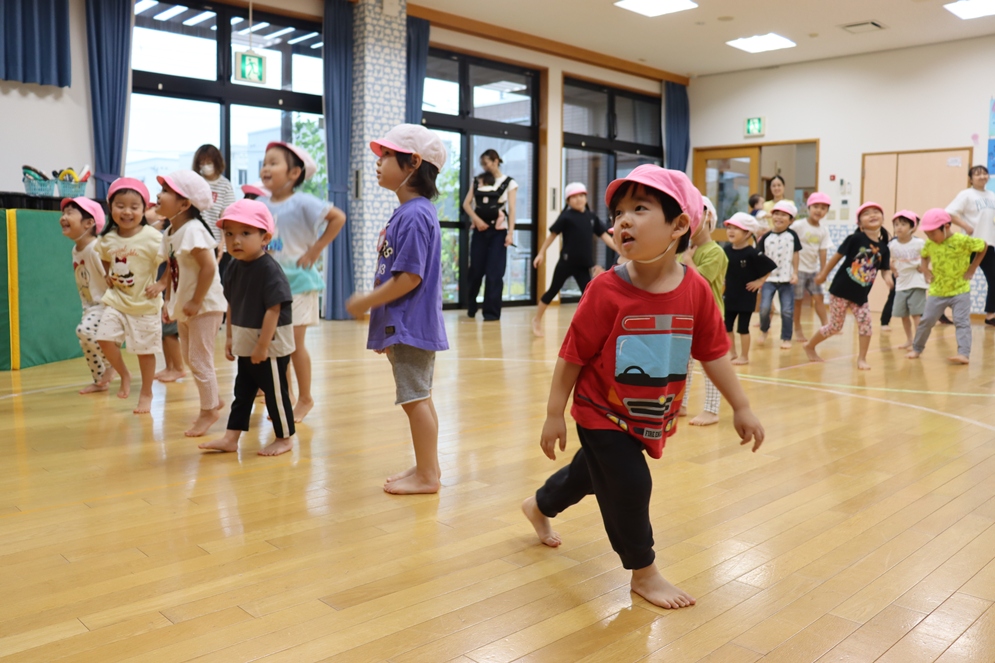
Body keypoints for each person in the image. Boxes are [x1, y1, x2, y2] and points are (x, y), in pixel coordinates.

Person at [520, 165, 764, 610]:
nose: (623, 220)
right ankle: (643, 573)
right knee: (630, 483)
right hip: (599, 409)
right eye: (618, 213)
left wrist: (741, 406)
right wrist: (555, 413)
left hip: (648, 414)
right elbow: (572, 355)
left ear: (679, 225)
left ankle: (539, 505)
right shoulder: (605, 290)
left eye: (639, 209)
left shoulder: (695, 291)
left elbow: (714, 353)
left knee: (590, 474)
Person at [346, 124, 449, 495]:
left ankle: (427, 476)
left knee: (414, 398)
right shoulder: (410, 212)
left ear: (413, 163)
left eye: (387, 155)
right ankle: (427, 466)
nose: (378, 162)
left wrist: (366, 301)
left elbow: (409, 278)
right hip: (405, 324)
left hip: (410, 324)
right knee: (419, 396)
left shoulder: (415, 215)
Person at [199, 199, 296, 456]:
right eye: (229, 234)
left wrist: (263, 346)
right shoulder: (234, 266)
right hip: (246, 339)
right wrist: (230, 337)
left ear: (265, 238)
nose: (236, 241)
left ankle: (285, 438)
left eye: (245, 233)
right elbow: (232, 303)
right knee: (242, 392)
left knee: (275, 394)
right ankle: (231, 438)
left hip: (270, 345)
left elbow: (274, 309)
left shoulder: (269, 270)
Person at [260, 141, 347, 422]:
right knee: (278, 345)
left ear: (294, 173)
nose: (266, 168)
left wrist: (316, 249)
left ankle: (306, 398)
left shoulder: (303, 201)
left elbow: (338, 217)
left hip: (300, 283)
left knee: (294, 344)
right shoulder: (260, 204)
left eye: (274, 163)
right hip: (272, 286)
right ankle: (286, 397)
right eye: (265, 163)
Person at [154, 171, 228, 437]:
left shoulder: (193, 230)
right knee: (190, 358)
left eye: (165, 191)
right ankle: (213, 399)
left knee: (198, 359)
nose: (158, 195)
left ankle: (209, 411)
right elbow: (172, 268)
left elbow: (209, 268)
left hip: (205, 306)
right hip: (189, 306)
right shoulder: (172, 231)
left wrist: (196, 300)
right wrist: (167, 298)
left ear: (184, 204)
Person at [94, 178, 164, 414]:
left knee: (145, 352)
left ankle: (146, 392)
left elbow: (174, 259)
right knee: (104, 339)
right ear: (110, 207)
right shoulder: (108, 238)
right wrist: (107, 274)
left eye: (134, 206)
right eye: (120, 205)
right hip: (117, 301)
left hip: (145, 305)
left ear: (144, 209)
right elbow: (104, 256)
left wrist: (162, 283)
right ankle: (124, 373)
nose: (127, 212)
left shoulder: (152, 236)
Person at [804, 202, 893, 370]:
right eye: (866, 213)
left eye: (876, 212)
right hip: (841, 290)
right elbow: (837, 257)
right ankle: (809, 346)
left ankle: (862, 358)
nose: (872, 215)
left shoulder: (883, 248)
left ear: (883, 218)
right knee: (835, 326)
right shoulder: (855, 239)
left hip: (860, 295)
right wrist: (823, 274)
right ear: (859, 223)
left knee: (866, 326)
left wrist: (888, 277)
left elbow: (884, 269)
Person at [531, 182, 615, 337]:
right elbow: (552, 236)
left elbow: (605, 236)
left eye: (581, 195)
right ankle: (537, 319)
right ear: (568, 200)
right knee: (552, 291)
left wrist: (620, 249)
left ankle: (590, 327)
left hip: (583, 265)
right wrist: (541, 253)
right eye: (574, 197)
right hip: (566, 263)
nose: (578, 199)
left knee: (588, 296)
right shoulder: (566, 217)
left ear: (586, 198)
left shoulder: (591, 217)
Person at [907, 208, 987, 364]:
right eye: (927, 234)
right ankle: (917, 348)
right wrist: (925, 270)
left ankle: (963, 354)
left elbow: (983, 246)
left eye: (933, 233)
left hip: (960, 290)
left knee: (961, 321)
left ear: (946, 227)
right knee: (927, 320)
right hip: (938, 291)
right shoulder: (930, 243)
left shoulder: (962, 240)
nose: (930, 237)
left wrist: (973, 267)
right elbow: (924, 256)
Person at [682, 197, 728, 426]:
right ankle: (680, 403)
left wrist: (688, 261)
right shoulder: (684, 250)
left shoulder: (715, 252)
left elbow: (700, 281)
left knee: (710, 364)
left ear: (708, 216)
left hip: (710, 317)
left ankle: (711, 410)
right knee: (684, 364)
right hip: (687, 316)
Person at [61, 196, 114, 394]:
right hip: (90, 305)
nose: (63, 217)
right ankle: (100, 381)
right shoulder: (76, 249)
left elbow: (110, 276)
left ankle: (113, 364)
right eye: (63, 213)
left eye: (70, 213)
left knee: (85, 331)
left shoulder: (95, 249)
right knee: (84, 341)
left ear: (89, 223)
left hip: (105, 304)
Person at [463, 149, 517, 321]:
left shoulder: (509, 183)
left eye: (486, 163)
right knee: (475, 271)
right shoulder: (477, 181)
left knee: (495, 273)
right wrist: (477, 220)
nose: (484, 167)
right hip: (479, 232)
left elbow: (512, 209)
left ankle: (491, 313)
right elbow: (466, 204)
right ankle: (471, 307)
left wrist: (510, 233)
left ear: (495, 161)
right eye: (482, 164)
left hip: (499, 233)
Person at [723, 213, 777, 365]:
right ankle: (732, 353)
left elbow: (770, 266)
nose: (731, 231)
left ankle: (744, 356)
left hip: (746, 296)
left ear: (747, 233)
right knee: (727, 326)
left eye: (736, 228)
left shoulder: (753, 253)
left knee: (743, 328)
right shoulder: (726, 250)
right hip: (730, 295)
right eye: (729, 227)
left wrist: (760, 281)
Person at [945, 165, 995, 326]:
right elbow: (949, 213)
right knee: (956, 278)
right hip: (969, 244)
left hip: (988, 244)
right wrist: (965, 226)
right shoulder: (966, 194)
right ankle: (939, 310)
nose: (982, 176)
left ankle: (990, 315)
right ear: (971, 179)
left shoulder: (992, 195)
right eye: (977, 174)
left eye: (984, 173)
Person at [757, 200, 801, 348]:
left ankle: (786, 338)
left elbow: (795, 254)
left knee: (787, 310)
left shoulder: (792, 235)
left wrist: (795, 273)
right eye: (776, 214)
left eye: (783, 215)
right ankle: (764, 330)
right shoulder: (766, 236)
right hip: (768, 279)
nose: (779, 217)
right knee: (764, 308)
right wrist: (759, 276)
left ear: (791, 220)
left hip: (786, 279)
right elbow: (760, 257)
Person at [791, 192, 833, 342]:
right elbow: (789, 242)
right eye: (816, 206)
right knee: (797, 300)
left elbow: (823, 251)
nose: (819, 210)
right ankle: (797, 328)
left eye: (823, 208)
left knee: (819, 297)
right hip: (798, 270)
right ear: (809, 207)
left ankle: (827, 325)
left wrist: (823, 271)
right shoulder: (798, 225)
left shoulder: (823, 230)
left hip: (813, 270)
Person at [885, 211, 927, 350]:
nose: (899, 227)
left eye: (903, 224)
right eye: (896, 224)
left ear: (912, 227)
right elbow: (887, 259)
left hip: (917, 283)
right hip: (901, 284)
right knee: (903, 315)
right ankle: (909, 340)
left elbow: (928, 255)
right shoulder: (892, 245)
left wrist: (924, 266)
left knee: (916, 315)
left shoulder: (919, 243)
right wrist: (893, 270)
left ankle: (918, 343)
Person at [191, 144, 236, 252]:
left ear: (217, 162)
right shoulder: (195, 182)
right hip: (197, 240)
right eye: (202, 163)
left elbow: (226, 217)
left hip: (219, 243)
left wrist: (223, 242)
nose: (205, 166)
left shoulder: (225, 185)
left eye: (209, 163)